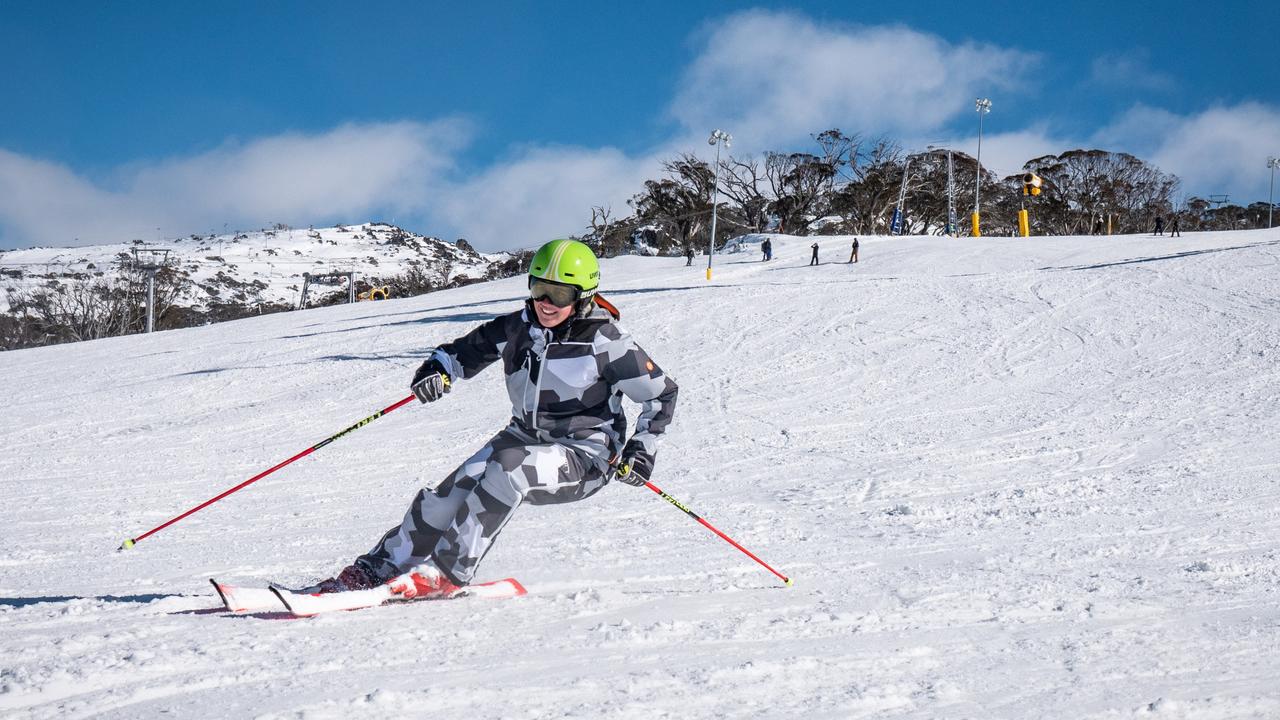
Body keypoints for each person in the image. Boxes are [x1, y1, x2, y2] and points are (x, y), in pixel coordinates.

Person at [306, 239, 679, 597]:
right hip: (523, 436)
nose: (546, 303)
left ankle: (446, 573)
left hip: (586, 454)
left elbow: (662, 393)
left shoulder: (606, 342)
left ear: (581, 296)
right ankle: (378, 568)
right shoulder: (518, 327)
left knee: (509, 468)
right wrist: (437, 370)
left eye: (560, 295)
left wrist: (640, 452)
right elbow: (459, 353)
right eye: (539, 289)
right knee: (449, 494)